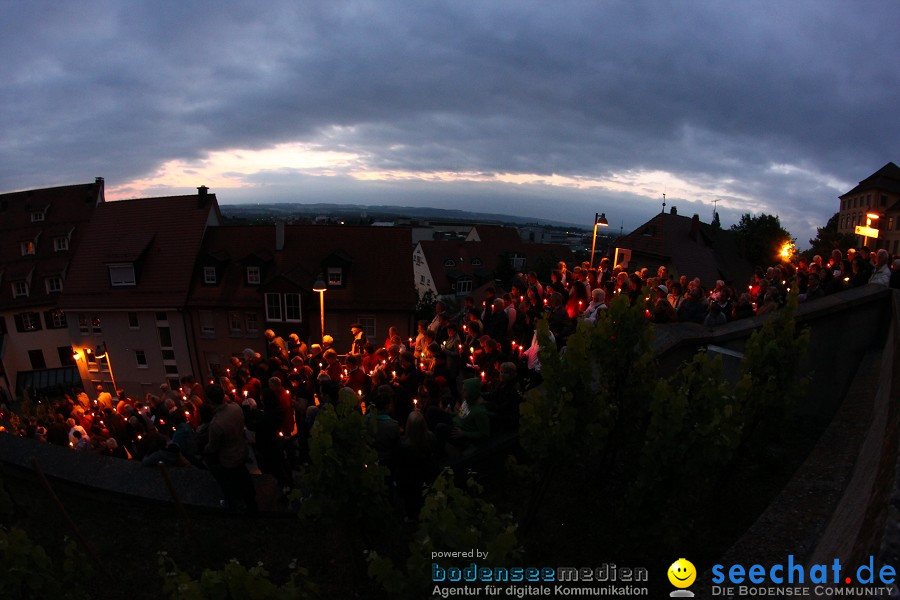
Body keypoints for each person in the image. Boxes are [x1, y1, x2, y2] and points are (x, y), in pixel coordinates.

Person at [203, 384, 257, 515]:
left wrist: (205, 449)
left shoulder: (215, 424)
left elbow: (213, 447)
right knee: (245, 478)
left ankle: (241, 507)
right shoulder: (236, 408)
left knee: (234, 483)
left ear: (210, 401)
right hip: (242, 450)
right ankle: (252, 501)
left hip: (229, 459)